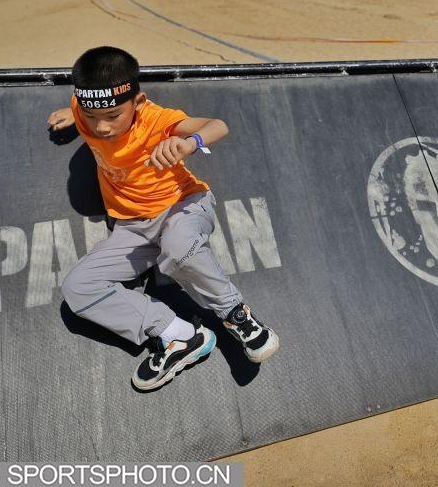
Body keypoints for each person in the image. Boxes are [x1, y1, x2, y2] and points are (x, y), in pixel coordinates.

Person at [48, 47, 280, 391]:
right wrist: (71, 113)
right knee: (77, 287)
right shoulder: (83, 110)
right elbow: (86, 106)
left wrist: (190, 144)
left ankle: (236, 315)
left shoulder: (155, 118)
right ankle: (180, 335)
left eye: (113, 115)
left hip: (182, 206)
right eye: (91, 115)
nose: (102, 126)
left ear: (138, 102)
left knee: (178, 246)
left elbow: (218, 125)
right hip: (132, 228)